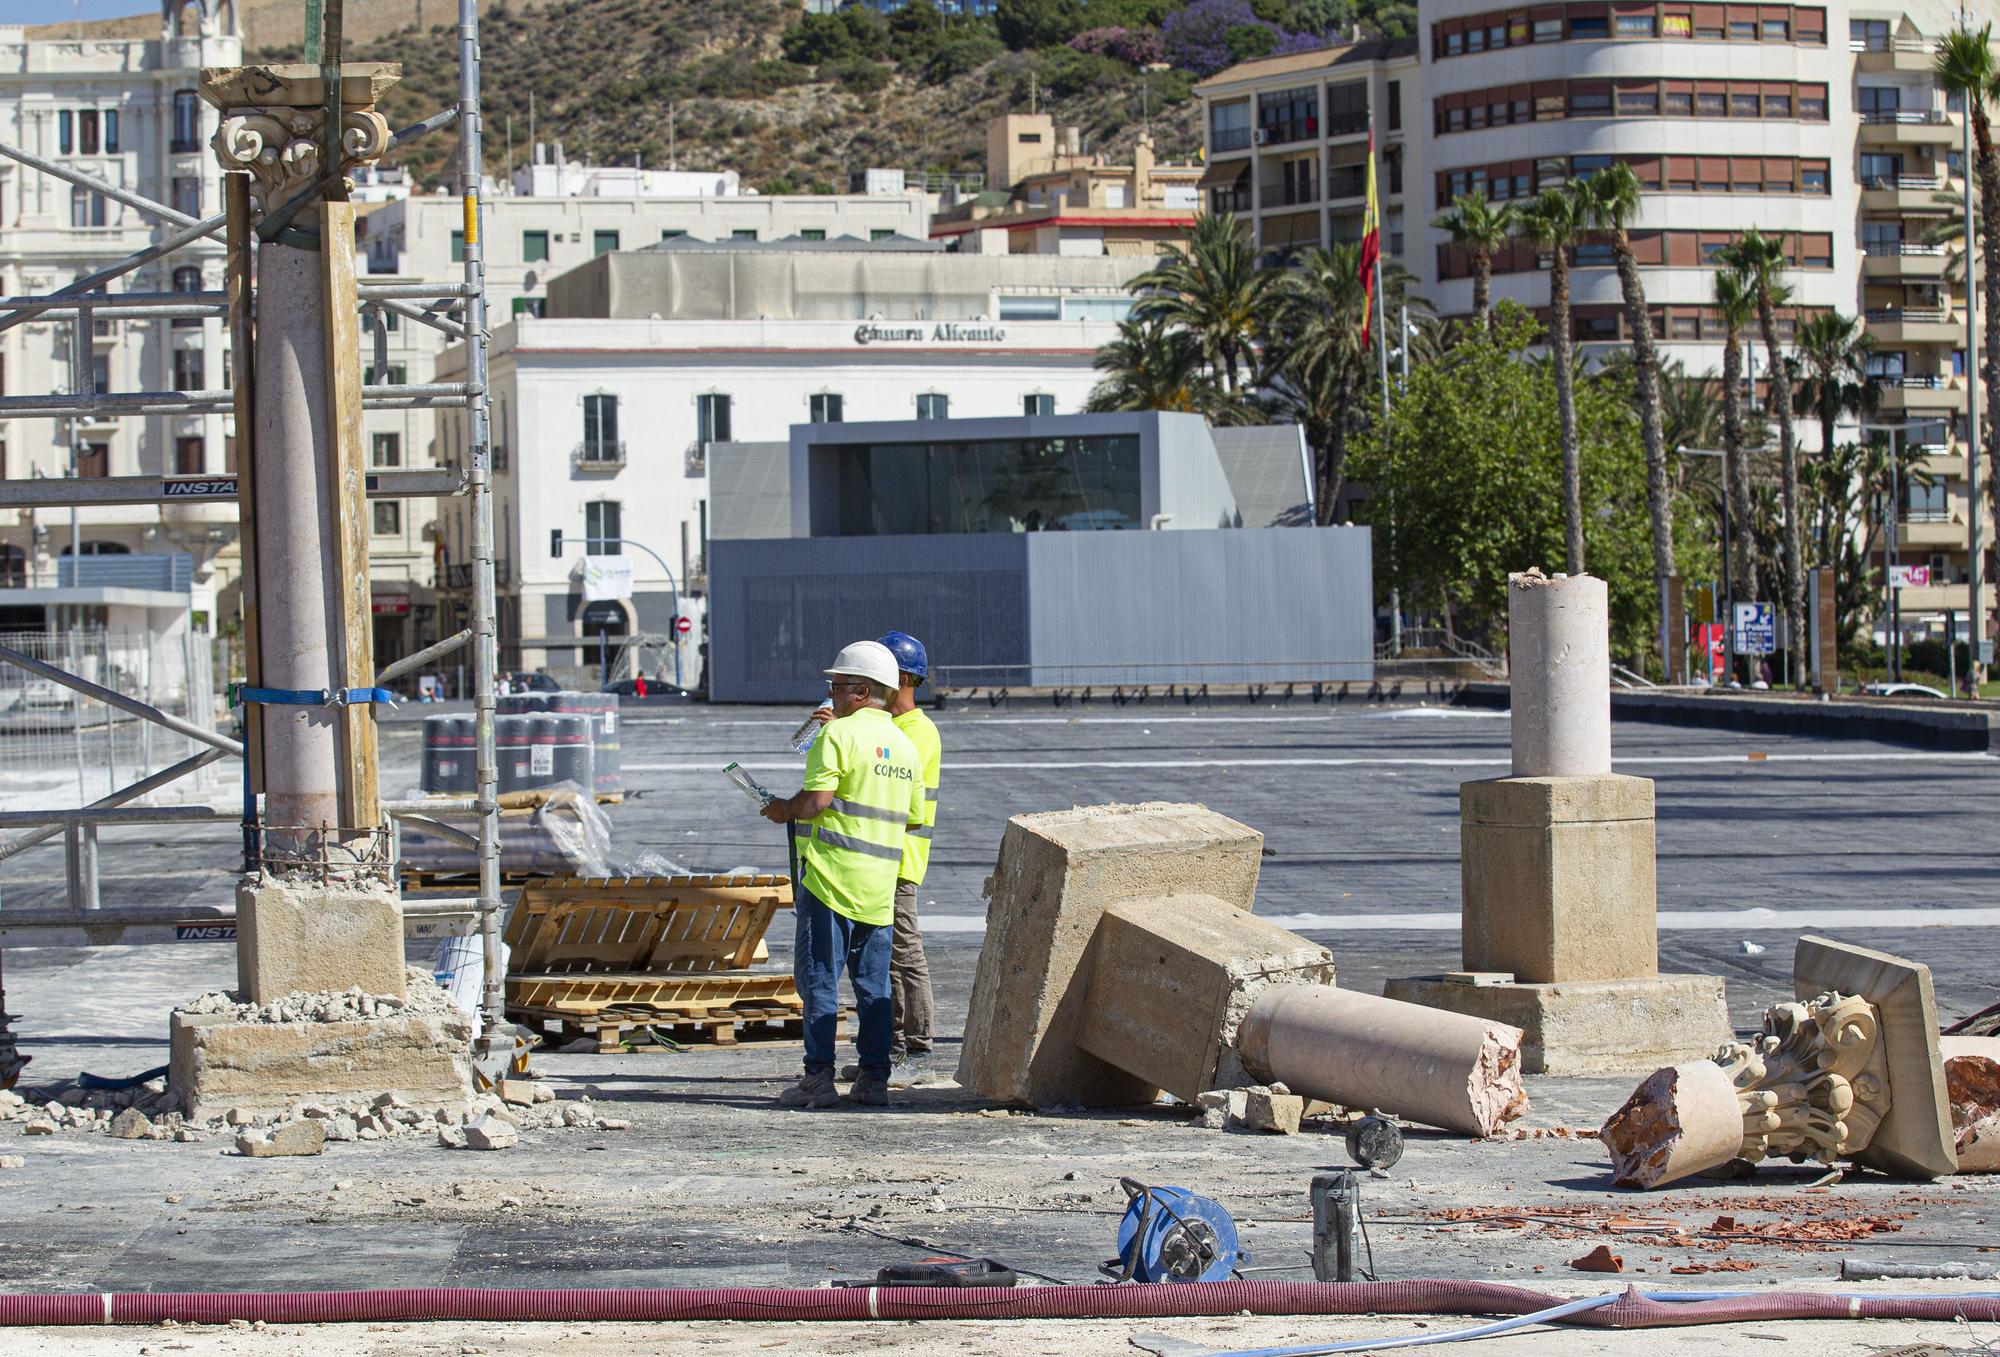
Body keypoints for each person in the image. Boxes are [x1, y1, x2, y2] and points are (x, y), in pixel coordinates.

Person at [759, 640, 923, 1109]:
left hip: (830, 879)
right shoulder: (904, 745)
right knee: (873, 986)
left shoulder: (838, 737)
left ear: (859, 691)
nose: (830, 695)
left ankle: (818, 1078)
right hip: (879, 885)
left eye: (836, 686)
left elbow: (816, 802)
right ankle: (873, 1081)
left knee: (820, 980)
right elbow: (911, 817)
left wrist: (781, 810)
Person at [844, 630, 937, 1074]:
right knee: (888, 955)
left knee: (903, 952)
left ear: (898, 677)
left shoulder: (915, 732)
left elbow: (895, 794)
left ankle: (916, 1046)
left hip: (899, 859)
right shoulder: (896, 728)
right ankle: (898, 1045)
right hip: (881, 857)